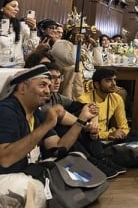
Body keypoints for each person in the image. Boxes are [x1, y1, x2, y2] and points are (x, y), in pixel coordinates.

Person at [0, 65, 97, 207]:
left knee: (76, 159)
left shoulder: (36, 114)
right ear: (22, 88)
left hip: (29, 172)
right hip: (7, 176)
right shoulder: (6, 111)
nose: (48, 91)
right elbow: (5, 159)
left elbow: (58, 148)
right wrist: (46, 125)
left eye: (49, 86)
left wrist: (81, 121)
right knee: (28, 186)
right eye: (42, 85)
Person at [0, 0, 39, 67]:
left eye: (17, 7)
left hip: (17, 65)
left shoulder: (22, 26)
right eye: (13, 6)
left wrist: (33, 29)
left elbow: (31, 46)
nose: (17, 9)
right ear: (2, 8)